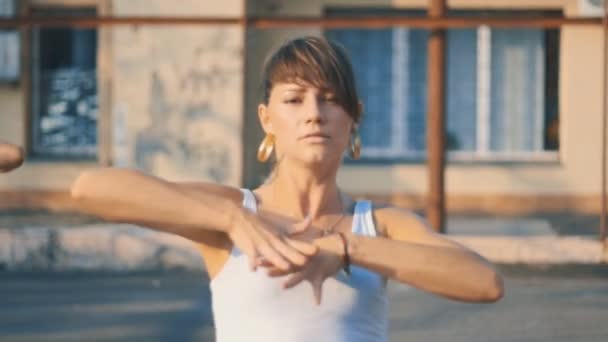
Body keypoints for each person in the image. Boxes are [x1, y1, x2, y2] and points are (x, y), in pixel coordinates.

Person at [70, 36, 503, 342]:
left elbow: (484, 283)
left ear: (354, 117)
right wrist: (231, 219)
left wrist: (346, 248)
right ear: (267, 119)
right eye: (294, 100)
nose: (314, 114)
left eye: (330, 99)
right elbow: (92, 188)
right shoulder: (233, 212)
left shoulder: (381, 224)